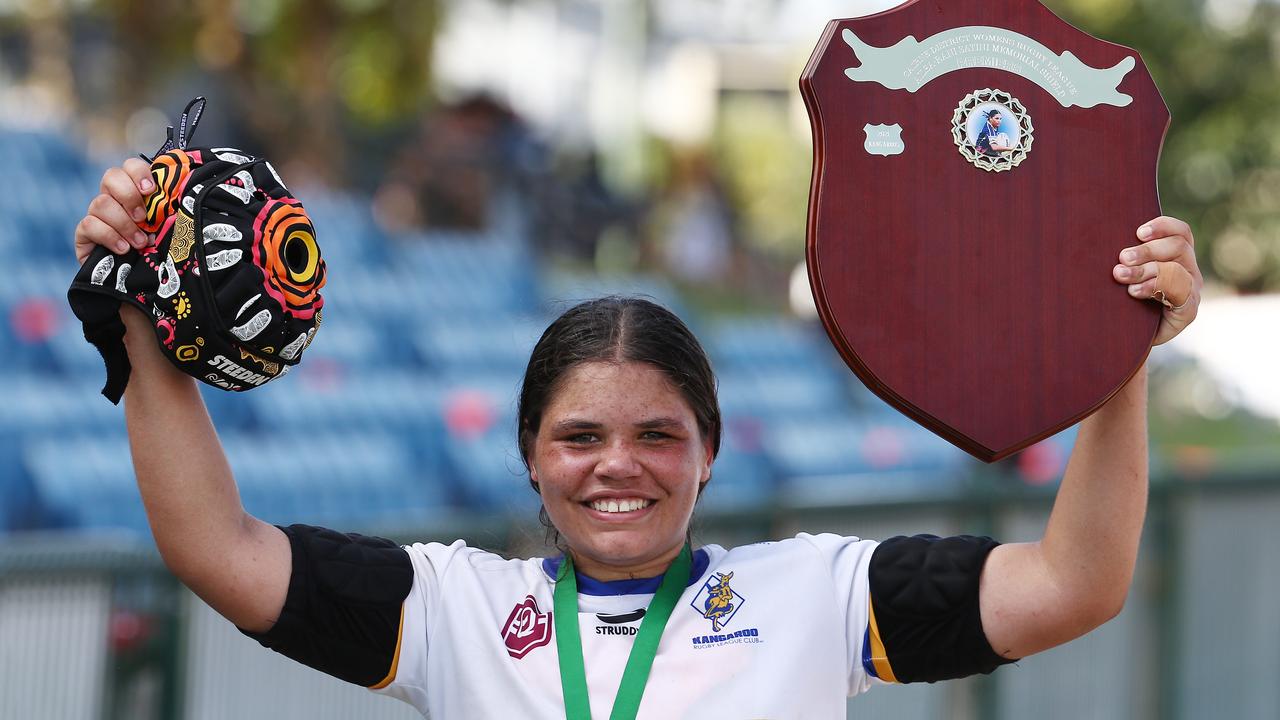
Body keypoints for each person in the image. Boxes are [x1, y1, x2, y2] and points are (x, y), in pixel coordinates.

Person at [75, 157, 1202, 718]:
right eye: (578, 437)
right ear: (527, 456)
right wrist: (135, 305)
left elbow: (1074, 583)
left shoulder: (815, 593)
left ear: (709, 452)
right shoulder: (451, 610)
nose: (617, 465)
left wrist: (1117, 356)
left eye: (658, 435)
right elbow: (212, 546)